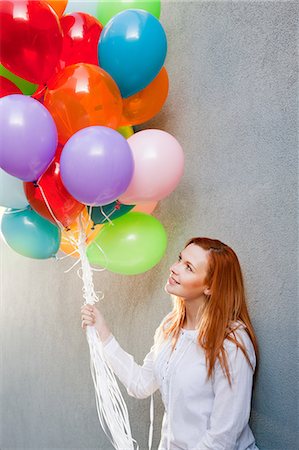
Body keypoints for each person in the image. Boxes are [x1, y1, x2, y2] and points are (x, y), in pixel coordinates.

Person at [81, 237, 259, 450]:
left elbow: (222, 438)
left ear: (210, 287)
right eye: (180, 259)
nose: (174, 268)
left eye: (188, 267)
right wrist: (103, 332)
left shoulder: (232, 342)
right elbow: (140, 383)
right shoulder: (170, 328)